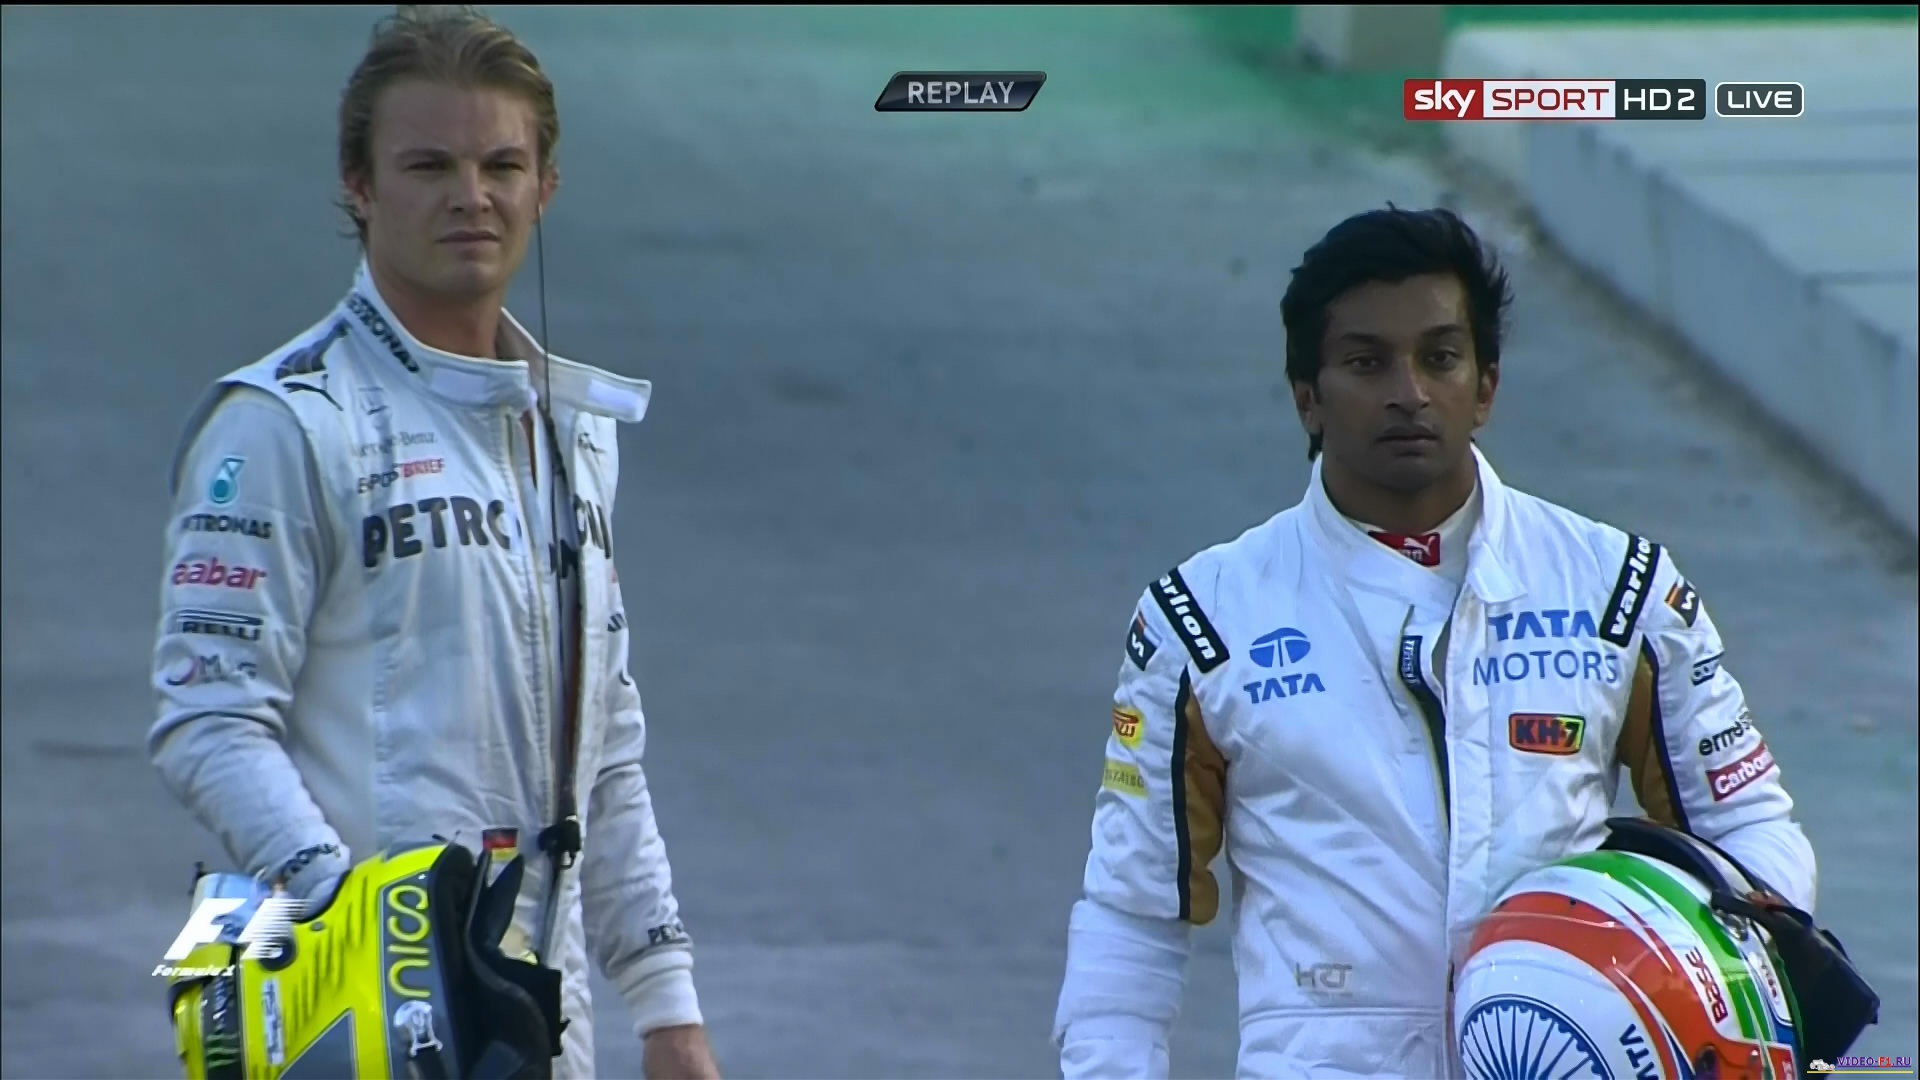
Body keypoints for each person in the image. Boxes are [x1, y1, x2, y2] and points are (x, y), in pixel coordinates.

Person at [1051, 207, 1818, 1078]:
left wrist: (1707, 980)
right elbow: (1132, 910)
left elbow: (1747, 829)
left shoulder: (1617, 589)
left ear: (1485, 386)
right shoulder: (1202, 621)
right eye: (1366, 362)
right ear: (1307, 396)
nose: (1408, 392)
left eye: (1440, 357)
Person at [146, 7, 719, 1077]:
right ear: (358, 186)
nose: (471, 195)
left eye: (503, 165)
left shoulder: (574, 431)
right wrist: (357, 920)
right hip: (355, 1016)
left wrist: (667, 1004)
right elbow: (208, 719)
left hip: (541, 1020)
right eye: (429, 165)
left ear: (546, 187)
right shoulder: (281, 423)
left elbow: (606, 746)